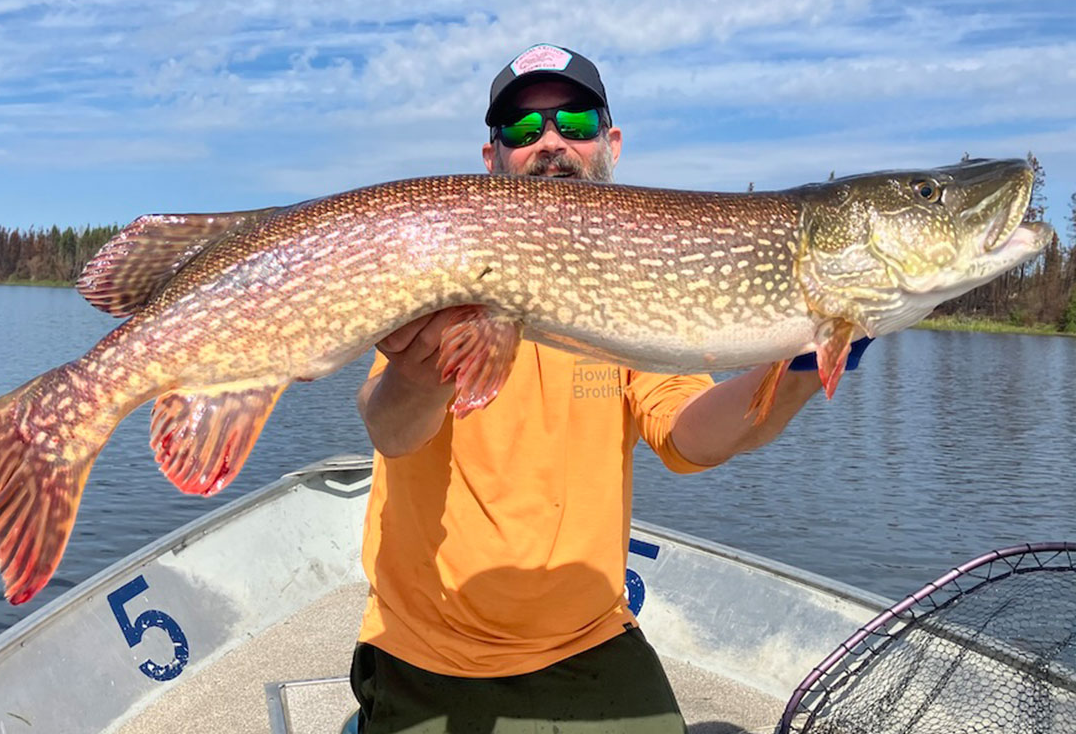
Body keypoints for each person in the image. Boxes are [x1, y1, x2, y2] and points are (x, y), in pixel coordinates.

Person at [348, 44, 869, 733]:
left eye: (575, 122)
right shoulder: (445, 261)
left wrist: (794, 374)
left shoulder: (640, 291)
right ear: (493, 158)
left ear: (609, 142)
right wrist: (418, 375)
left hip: (590, 637)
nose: (552, 143)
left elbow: (689, 433)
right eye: (525, 131)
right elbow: (390, 430)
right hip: (430, 651)